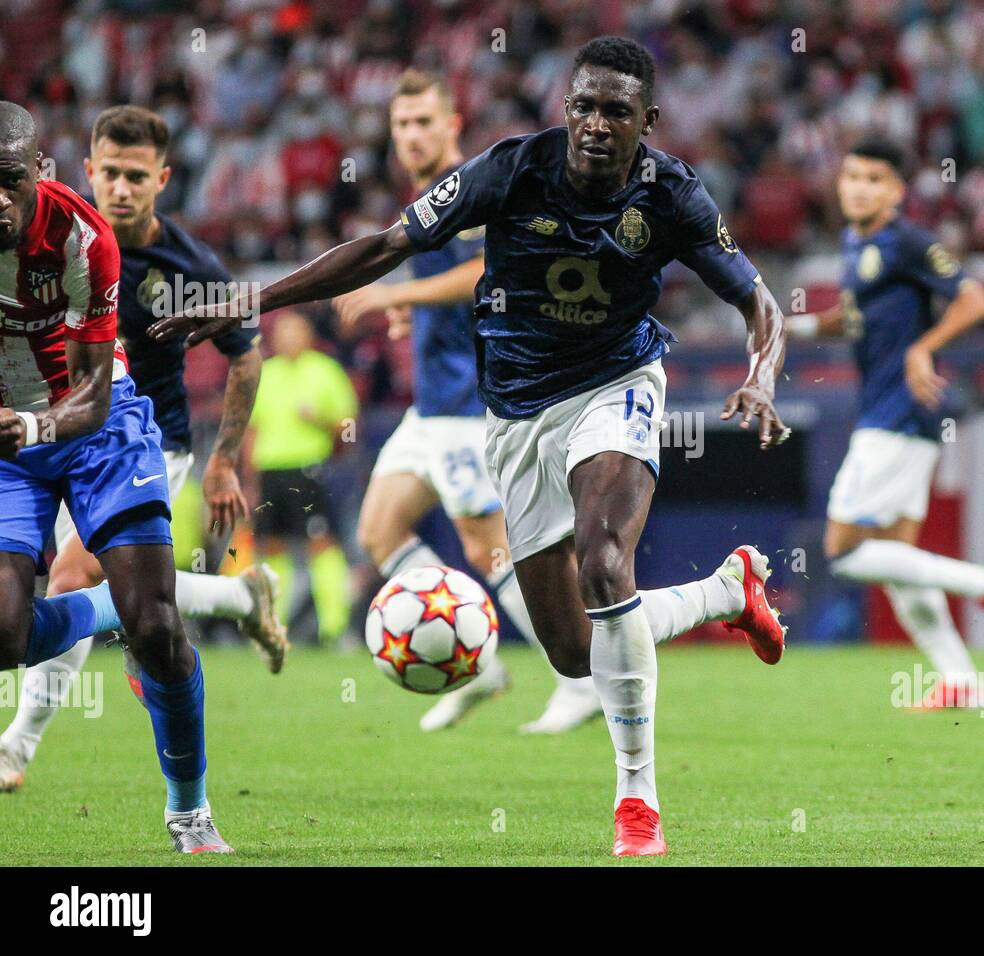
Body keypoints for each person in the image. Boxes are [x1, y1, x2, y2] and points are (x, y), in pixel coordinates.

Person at [152, 36, 788, 857]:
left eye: (617, 112)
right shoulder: (510, 170)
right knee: (572, 652)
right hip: (517, 411)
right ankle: (726, 592)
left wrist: (764, 375)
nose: (596, 124)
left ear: (649, 121)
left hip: (618, 382)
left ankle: (638, 800)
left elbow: (760, 301)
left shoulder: (673, 195)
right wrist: (252, 300)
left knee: (604, 563)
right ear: (566, 107)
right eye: (584, 106)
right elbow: (384, 247)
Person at [0, 105, 286, 794]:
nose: (121, 189)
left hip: (145, 438)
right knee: (118, 598)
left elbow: (245, 357)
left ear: (160, 180)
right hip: (41, 432)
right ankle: (240, 598)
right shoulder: (45, 235)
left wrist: (223, 459)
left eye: (137, 176)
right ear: (86, 169)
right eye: (110, 174)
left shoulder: (187, 265)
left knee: (71, 578)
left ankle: (17, 748)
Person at [332, 70, 601, 734]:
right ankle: (478, 662)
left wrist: (399, 296)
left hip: (470, 403)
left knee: (493, 549)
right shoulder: (425, 194)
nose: (412, 135)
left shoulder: (477, 187)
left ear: (452, 124)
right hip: (432, 407)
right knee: (379, 530)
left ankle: (580, 679)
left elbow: (491, 271)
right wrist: (414, 317)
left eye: (425, 121)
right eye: (402, 124)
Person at [787, 139, 984, 707]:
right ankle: (962, 681)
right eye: (852, 177)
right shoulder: (854, 241)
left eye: (873, 179)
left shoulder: (910, 241)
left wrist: (923, 349)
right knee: (897, 560)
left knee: (842, 549)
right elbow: (853, 318)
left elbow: (975, 301)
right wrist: (794, 329)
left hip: (897, 411)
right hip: (891, 412)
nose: (859, 187)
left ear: (895, 191)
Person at [248, 310, 356, 646]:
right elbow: (252, 432)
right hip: (270, 471)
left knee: (320, 544)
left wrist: (322, 421)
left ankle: (334, 628)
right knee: (271, 546)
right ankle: (273, 628)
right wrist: (248, 482)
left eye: (295, 330)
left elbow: (349, 429)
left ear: (309, 336)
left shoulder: (326, 371)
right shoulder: (266, 372)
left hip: (309, 469)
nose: (288, 338)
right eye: (282, 332)